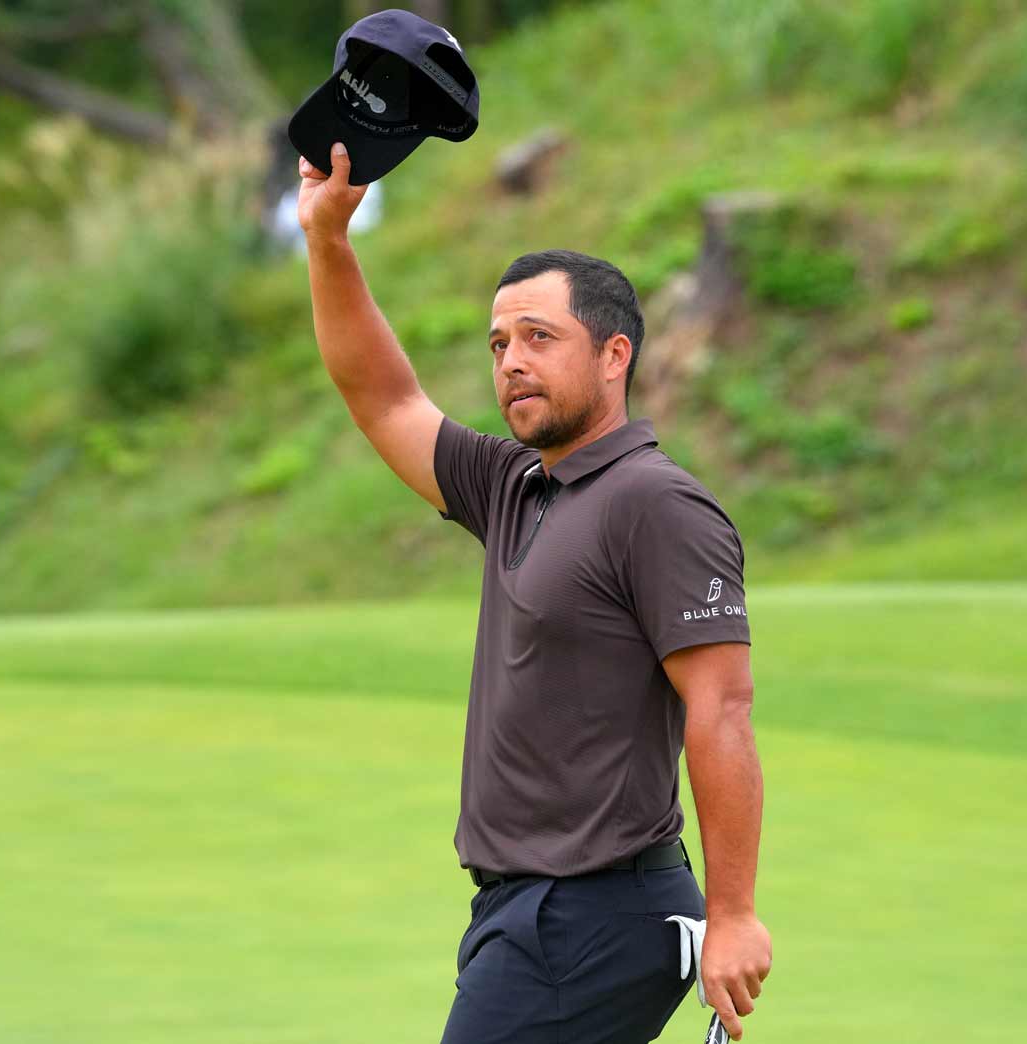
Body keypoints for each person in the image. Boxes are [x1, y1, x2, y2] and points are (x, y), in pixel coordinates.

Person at [298, 141, 772, 1044]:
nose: (511, 360)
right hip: (521, 914)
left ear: (613, 355)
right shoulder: (514, 486)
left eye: (539, 339)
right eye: (499, 343)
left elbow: (722, 709)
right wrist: (328, 239)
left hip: (596, 917)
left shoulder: (657, 503)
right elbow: (382, 398)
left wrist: (736, 913)